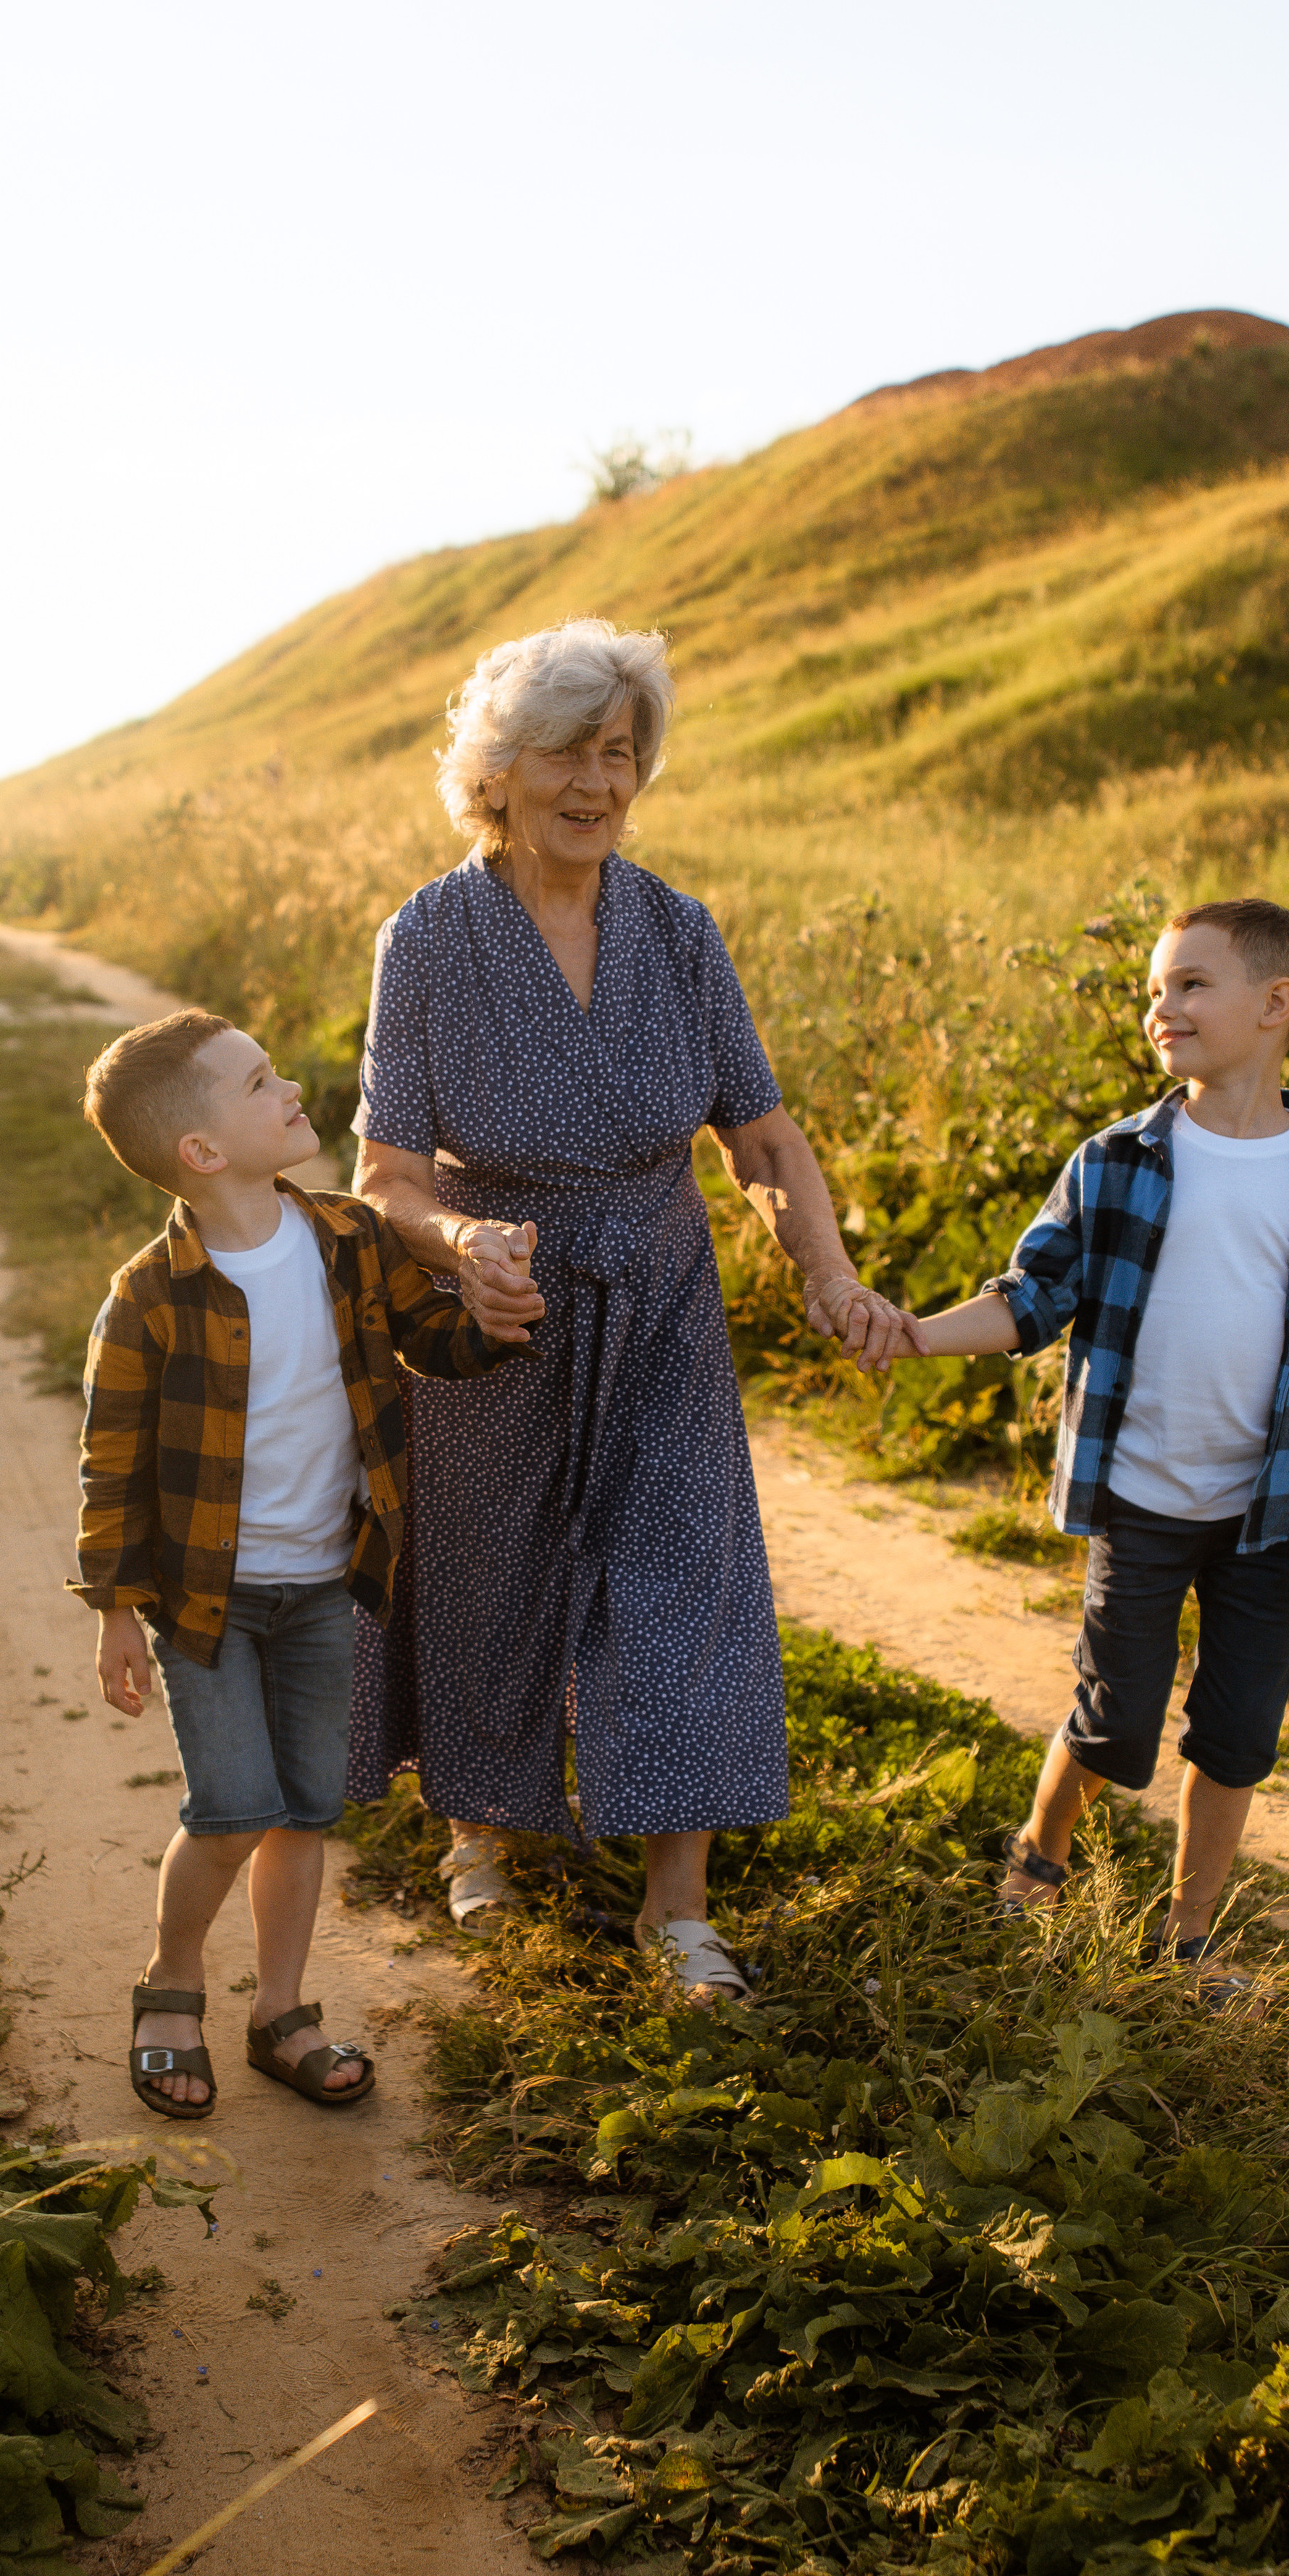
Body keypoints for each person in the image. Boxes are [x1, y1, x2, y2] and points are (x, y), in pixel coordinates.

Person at [348, 617, 907, 2001]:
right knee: (490, 1572)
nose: (596, 782)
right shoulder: (429, 936)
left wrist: (823, 1269)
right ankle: (482, 1834)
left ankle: (678, 1905)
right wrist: (460, 1238)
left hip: (658, 1295)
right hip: (500, 1304)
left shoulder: (676, 929)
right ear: (498, 769)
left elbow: (763, 1141)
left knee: (683, 1580)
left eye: (619, 751)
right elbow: (388, 1173)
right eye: (564, 752)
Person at [899, 898, 1289, 1971]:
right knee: (1115, 1720)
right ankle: (1042, 1848)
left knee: (1237, 1733)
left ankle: (1187, 1937)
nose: (1160, 1007)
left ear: (1277, 1006)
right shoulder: (1118, 1160)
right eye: (1153, 989)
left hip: (1269, 1517)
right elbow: (1031, 1297)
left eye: (1190, 984)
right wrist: (915, 1337)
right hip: (1140, 1496)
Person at [68, 1009, 502, 2120]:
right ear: (202, 1152)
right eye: (260, 1082)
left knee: (307, 1807)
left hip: (322, 1582)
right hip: (202, 1603)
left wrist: (496, 1315)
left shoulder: (350, 1238)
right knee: (230, 1807)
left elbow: (431, 1341)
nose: (290, 1087)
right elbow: (111, 1464)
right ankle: (171, 1982)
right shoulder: (149, 1295)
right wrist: (116, 1610)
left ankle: (281, 2010)